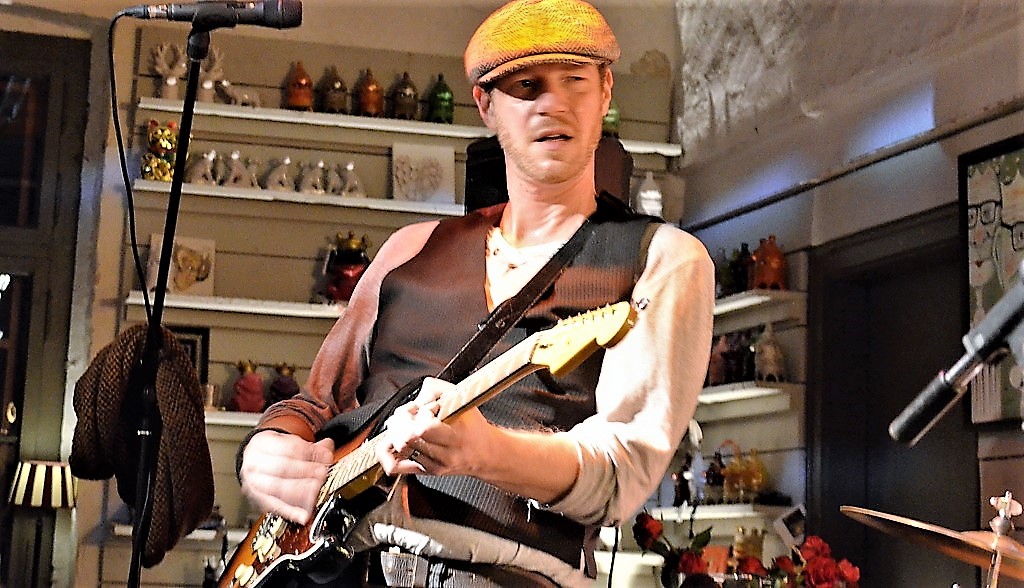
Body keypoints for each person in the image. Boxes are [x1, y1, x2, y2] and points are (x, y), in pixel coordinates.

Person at [236, 0, 714, 586]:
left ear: (605, 91)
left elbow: (620, 474)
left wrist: (484, 452)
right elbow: (315, 405)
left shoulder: (660, 257)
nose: (554, 103)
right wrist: (266, 451)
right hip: (338, 569)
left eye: (574, 80)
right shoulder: (410, 247)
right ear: (486, 105)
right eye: (527, 86)